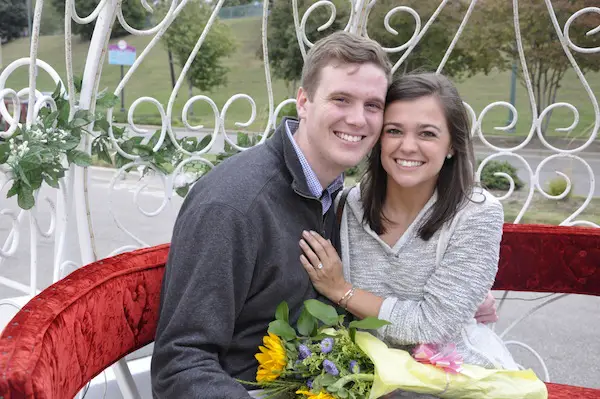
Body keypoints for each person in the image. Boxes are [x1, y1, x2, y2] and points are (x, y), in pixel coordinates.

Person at [150, 31, 392, 398]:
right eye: (341, 99)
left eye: (373, 105)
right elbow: (179, 364)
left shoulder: (333, 197)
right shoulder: (234, 206)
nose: (358, 119)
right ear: (304, 102)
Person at [299, 73, 517, 381]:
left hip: (455, 381)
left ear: (452, 144)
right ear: (377, 138)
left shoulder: (476, 214)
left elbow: (432, 327)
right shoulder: (345, 207)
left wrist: (342, 290)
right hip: (360, 378)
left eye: (427, 134)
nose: (408, 146)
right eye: (394, 131)